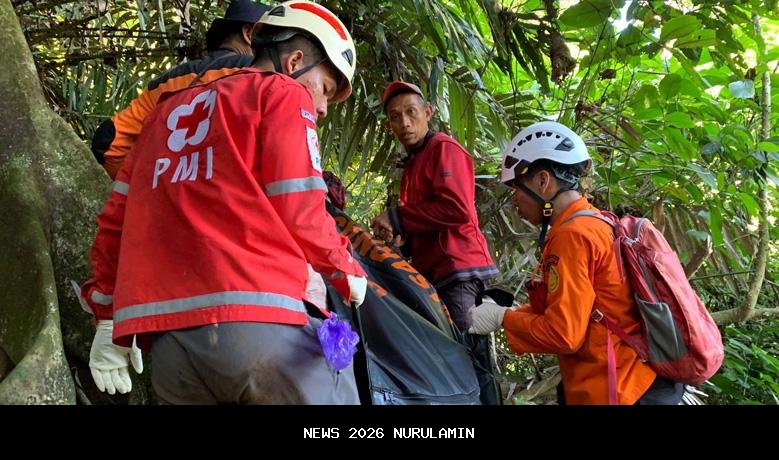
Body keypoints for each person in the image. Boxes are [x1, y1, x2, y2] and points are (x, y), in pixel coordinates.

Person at [80, 0, 368, 404]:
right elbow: (299, 200)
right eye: (325, 89)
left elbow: (115, 223)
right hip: (261, 327)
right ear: (295, 61)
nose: (321, 107)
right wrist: (344, 267)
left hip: (171, 349)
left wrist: (108, 318)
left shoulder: (164, 113)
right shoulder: (282, 94)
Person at [469, 120, 685, 405]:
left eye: (517, 188)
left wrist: (502, 319)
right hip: (639, 381)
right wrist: (511, 312)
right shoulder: (595, 221)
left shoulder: (572, 236)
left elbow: (563, 334)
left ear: (543, 181)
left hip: (621, 388)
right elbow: (576, 307)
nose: (514, 201)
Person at [370, 81, 500, 404]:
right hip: (437, 274)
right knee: (454, 355)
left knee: (466, 357)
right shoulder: (414, 165)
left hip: (458, 271)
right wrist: (401, 239)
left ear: (428, 112)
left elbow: (456, 209)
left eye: (412, 113)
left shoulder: (443, 148)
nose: (405, 123)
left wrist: (398, 218)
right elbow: (428, 218)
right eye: (396, 117)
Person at [91, 0, 271, 179]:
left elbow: (109, 142)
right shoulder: (263, 74)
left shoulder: (167, 82)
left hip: (168, 196)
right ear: (250, 34)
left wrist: (146, 182)